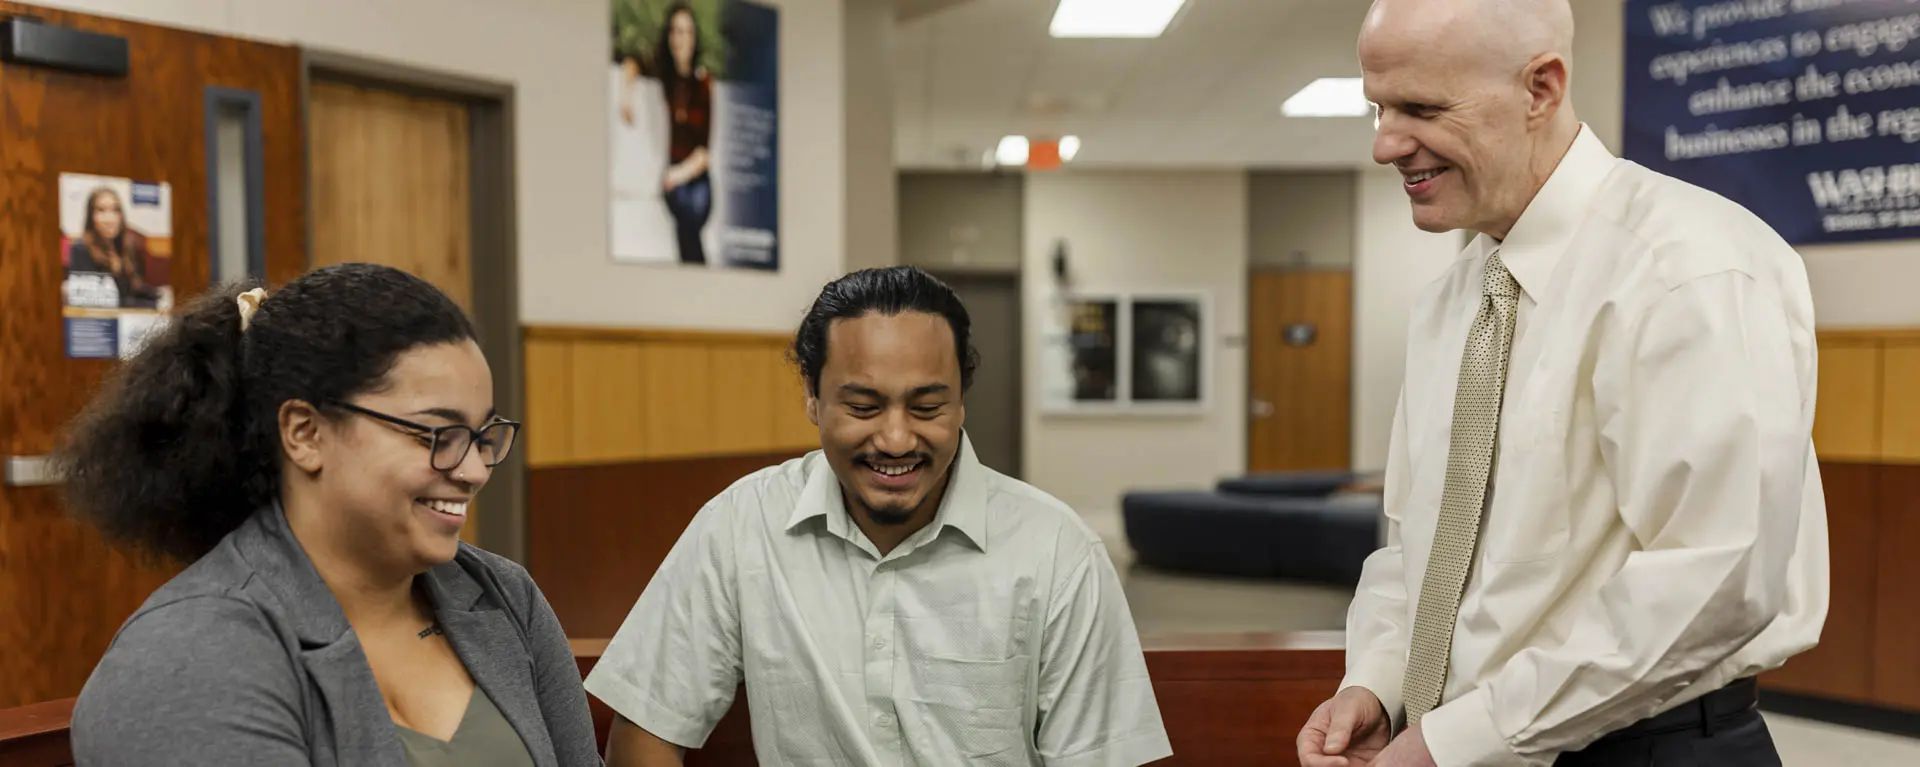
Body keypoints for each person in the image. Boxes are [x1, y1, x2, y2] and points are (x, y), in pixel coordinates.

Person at [1297, 1, 1827, 766]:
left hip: (1645, 748)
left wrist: (1463, 737)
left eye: (1421, 107)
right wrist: (1378, 685)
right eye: (1378, 107)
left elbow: (1715, 577)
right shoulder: (1455, 298)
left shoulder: (1687, 267)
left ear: (1540, 89)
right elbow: (1419, 543)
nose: (1385, 143)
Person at [585, 266, 1172, 766]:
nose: (895, 439)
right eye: (863, 406)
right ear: (812, 398)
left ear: (961, 400)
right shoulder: (742, 525)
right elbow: (646, 728)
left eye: (927, 406)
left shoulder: (1057, 552)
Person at [62, 263, 602, 766]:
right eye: (438, 434)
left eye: (482, 436)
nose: (474, 470)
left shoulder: (505, 597)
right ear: (305, 433)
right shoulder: (185, 658)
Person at [657, 2, 713, 266]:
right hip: (675, 176)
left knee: (691, 213)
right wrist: (625, 95)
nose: (681, 39)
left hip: (695, 175)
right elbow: (632, 62)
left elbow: (704, 153)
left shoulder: (702, 83)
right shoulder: (664, 77)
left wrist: (678, 174)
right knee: (683, 210)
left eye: (687, 32)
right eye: (676, 31)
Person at [65, 186, 160, 308]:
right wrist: (146, 305)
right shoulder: (81, 248)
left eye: (115, 210)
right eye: (101, 210)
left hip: (128, 320)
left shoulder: (125, 247)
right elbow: (95, 301)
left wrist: (159, 295)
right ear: (91, 216)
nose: (109, 219)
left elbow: (132, 290)